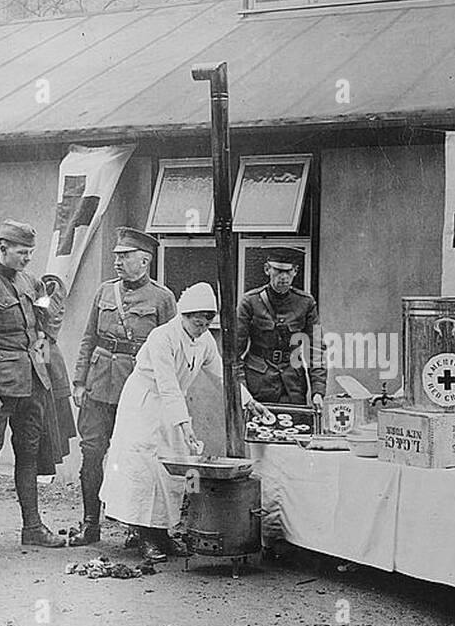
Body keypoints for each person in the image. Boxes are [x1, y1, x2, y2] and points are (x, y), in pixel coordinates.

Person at [103, 283, 270, 564]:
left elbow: (222, 375)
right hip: (145, 406)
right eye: (196, 322)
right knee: (146, 471)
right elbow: (167, 385)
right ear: (183, 315)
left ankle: (164, 533)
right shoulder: (162, 338)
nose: (202, 328)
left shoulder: (204, 341)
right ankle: (144, 536)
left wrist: (248, 400)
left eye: (206, 324)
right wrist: (185, 424)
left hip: (172, 408)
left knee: (172, 473)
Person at [0, 219, 64, 557]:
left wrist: (44, 361)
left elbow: (45, 328)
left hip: (33, 384)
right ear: (3, 248)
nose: (28, 258)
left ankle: (32, 527)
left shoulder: (32, 283)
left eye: (31, 252)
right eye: (22, 252)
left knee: (29, 455)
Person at [68, 228, 176, 545]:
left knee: (136, 460)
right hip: (98, 387)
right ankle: (90, 525)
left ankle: (137, 530)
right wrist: (79, 381)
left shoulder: (162, 298)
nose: (118, 261)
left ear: (144, 261)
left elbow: (171, 350)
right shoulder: (104, 292)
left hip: (138, 392)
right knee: (91, 454)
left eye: (125, 256)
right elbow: (89, 338)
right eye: (116, 255)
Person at [234, 247, 326, 410]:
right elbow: (234, 353)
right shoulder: (250, 302)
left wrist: (318, 391)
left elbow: (316, 349)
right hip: (258, 385)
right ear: (267, 269)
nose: (283, 277)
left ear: (295, 271)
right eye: (277, 271)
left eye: (288, 272)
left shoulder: (306, 303)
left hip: (293, 386)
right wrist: (242, 391)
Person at [36, 272, 77, 475]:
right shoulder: (45, 289)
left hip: (45, 351)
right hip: (43, 349)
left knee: (48, 405)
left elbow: (44, 321)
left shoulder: (51, 289)